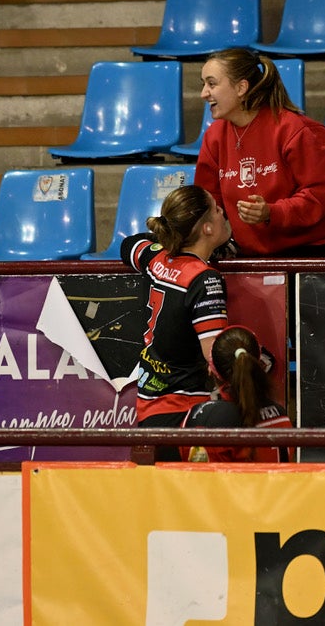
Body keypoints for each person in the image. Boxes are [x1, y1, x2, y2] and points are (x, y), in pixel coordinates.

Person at [195, 47, 325, 258]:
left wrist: (272, 212)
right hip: (251, 254)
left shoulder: (295, 129)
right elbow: (207, 201)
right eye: (203, 84)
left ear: (241, 87)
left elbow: (318, 198)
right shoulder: (214, 135)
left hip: (306, 254)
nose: (203, 93)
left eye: (212, 83)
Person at [121, 185, 232, 452]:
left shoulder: (157, 259)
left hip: (149, 408)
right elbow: (216, 358)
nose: (223, 213)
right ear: (206, 228)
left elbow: (130, 244)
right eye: (217, 210)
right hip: (186, 413)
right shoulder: (205, 280)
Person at [182, 325, 292, 463]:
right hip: (276, 484)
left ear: (212, 369)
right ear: (257, 364)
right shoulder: (281, 416)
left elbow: (198, 479)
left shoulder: (205, 419)